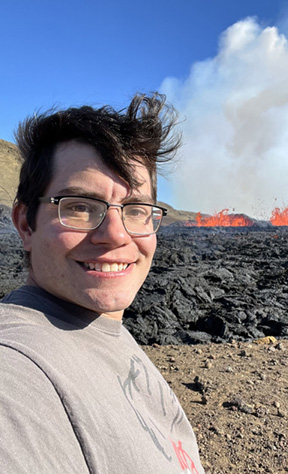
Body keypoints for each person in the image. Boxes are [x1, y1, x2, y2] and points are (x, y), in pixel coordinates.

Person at [0, 93, 204, 473]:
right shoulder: (14, 374)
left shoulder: (99, 326)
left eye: (136, 210)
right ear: (26, 224)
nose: (115, 235)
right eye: (79, 206)